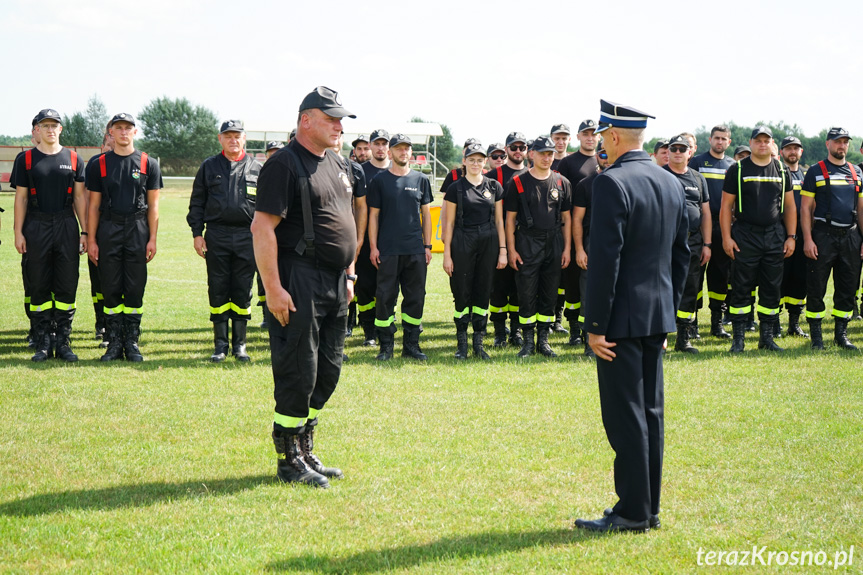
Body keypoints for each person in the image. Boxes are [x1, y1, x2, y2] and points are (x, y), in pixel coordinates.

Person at [576, 100, 689, 533]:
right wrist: (668, 316)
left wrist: (595, 325)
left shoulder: (612, 183)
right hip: (655, 317)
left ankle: (633, 512)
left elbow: (607, 260)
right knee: (650, 413)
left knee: (626, 417)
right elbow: (682, 256)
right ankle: (648, 506)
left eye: (603, 136)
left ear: (615, 136)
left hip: (620, 322)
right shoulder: (670, 181)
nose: (600, 142)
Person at [251, 86, 357, 488]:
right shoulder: (284, 165)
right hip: (298, 279)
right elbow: (262, 229)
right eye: (331, 118)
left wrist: (348, 271)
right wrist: (273, 289)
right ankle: (288, 459)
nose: (338, 125)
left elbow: (347, 221)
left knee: (328, 370)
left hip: (334, 280)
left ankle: (306, 447)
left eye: (341, 119)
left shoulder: (340, 163)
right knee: (299, 369)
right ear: (305, 120)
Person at [12, 109, 87, 362]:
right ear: (38, 130)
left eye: (54, 125)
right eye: (45, 125)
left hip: (66, 224)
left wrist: (85, 231)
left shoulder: (74, 159)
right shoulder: (25, 160)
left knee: (66, 283)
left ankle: (63, 341)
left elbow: (79, 197)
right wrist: (18, 232)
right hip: (36, 224)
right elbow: (21, 198)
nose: (50, 129)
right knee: (39, 283)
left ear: (60, 129)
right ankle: (43, 341)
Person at [86, 113, 163, 362]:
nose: (123, 132)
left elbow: (154, 206)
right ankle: (114, 341)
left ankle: (131, 341)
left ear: (135, 132)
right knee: (110, 286)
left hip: (137, 228)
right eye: (118, 128)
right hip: (108, 227)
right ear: (111, 133)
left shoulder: (147, 163)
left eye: (127, 128)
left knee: (134, 286)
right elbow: (93, 206)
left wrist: (152, 238)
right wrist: (92, 239)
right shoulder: (98, 165)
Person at [188, 119, 261, 362]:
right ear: (220, 139)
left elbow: (266, 208)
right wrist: (197, 234)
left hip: (246, 236)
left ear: (244, 138)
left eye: (237, 135)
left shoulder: (256, 168)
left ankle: (240, 345)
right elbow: (197, 203)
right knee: (218, 289)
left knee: (243, 289)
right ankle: (220, 345)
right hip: (217, 235)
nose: (233, 139)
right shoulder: (209, 166)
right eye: (227, 135)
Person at [720, 126, 796, 353]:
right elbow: (726, 206)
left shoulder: (782, 169)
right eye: (758, 140)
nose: (762, 144)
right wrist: (726, 238)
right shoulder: (738, 169)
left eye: (767, 141)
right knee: (741, 287)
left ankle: (767, 338)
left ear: (773, 144)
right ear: (751, 143)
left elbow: (790, 206)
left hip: (774, 235)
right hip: (745, 235)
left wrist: (791, 237)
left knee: (772, 288)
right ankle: (739, 339)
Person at [367, 133, 433, 361]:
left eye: (406, 149)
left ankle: (411, 345)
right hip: (388, 250)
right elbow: (373, 217)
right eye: (398, 148)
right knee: (385, 298)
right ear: (391, 152)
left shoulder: (421, 180)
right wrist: (374, 247)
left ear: (411, 152)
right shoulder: (379, 181)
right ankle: (386, 346)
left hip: (415, 250)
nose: (403, 152)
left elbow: (426, 215)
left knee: (415, 297)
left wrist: (427, 246)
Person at [504, 136, 572, 358]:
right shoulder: (517, 182)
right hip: (527, 242)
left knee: (549, 293)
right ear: (532, 154)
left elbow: (567, 218)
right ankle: (528, 343)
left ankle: (543, 341)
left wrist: (567, 248)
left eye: (550, 153)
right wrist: (511, 249)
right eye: (543, 153)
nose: (547, 157)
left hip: (554, 241)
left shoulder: (562, 182)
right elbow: (510, 220)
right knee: (526, 293)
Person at [800, 127, 863, 350]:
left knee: (847, 287)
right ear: (828, 144)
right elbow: (805, 209)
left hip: (851, 236)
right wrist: (808, 239)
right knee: (816, 285)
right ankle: (817, 335)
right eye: (838, 142)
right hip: (823, 236)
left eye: (845, 142)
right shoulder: (815, 171)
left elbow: (861, 208)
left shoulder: (857, 172)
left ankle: (841, 334)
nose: (842, 146)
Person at [442, 143, 507, 359]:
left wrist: (503, 250)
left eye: (480, 160)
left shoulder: (494, 186)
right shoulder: (455, 188)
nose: (476, 164)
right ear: (464, 161)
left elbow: (499, 221)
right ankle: (462, 344)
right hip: (462, 240)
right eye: (472, 159)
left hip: (488, 241)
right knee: (461, 291)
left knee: (483, 290)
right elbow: (448, 224)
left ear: (485, 162)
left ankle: (478, 344)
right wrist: (447, 255)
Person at [664, 135, 711, 353]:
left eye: (682, 148)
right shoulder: (659, 175)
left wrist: (707, 244)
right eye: (673, 148)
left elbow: (706, 213)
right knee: (661, 288)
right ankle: (659, 338)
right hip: (664, 242)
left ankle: (683, 338)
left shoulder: (698, 179)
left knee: (690, 289)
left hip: (693, 241)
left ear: (689, 153)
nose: (677, 152)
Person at [690, 125, 735, 339]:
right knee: (695, 276)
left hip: (724, 226)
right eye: (716, 138)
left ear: (729, 142)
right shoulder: (697, 162)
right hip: (700, 225)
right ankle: (692, 323)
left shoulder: (733, 165)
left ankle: (717, 323)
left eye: (723, 139)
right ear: (710, 140)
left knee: (720, 276)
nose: (720, 142)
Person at [558, 119, 599, 342]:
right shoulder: (568, 163)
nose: (590, 137)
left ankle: (591, 324)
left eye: (594, 134)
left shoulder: (606, 159)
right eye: (586, 134)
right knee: (573, 281)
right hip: (575, 229)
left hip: (598, 232)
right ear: (578, 137)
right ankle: (574, 328)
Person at [489, 131, 529, 347]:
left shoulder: (532, 173)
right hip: (498, 239)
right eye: (514, 147)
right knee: (498, 288)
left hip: (524, 239)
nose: (518, 151)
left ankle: (516, 331)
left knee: (519, 288)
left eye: (522, 147)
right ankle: (498, 332)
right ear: (506, 150)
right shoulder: (495, 175)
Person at [571, 145, 609, 358]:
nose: (606, 158)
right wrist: (579, 250)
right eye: (602, 154)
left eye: (608, 153)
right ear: (597, 157)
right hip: (591, 242)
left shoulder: (624, 180)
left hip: (619, 244)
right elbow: (576, 219)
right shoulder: (586, 184)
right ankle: (589, 342)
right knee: (589, 294)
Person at [355, 128, 390, 346]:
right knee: (365, 286)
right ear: (371, 146)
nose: (379, 147)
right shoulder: (359, 171)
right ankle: (368, 330)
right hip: (365, 239)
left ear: (389, 147)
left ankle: (385, 326)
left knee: (388, 286)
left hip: (391, 239)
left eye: (383, 143)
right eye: (375, 144)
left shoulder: (397, 171)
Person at [85, 125, 115, 348]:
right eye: (109, 144)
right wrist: (87, 233)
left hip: (121, 231)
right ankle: (100, 322)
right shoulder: (95, 166)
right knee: (98, 282)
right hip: (98, 232)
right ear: (104, 143)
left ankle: (116, 325)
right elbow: (87, 202)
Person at [779, 136, 808, 337]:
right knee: (778, 279)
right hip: (780, 234)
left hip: (804, 234)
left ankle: (794, 323)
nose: (792, 152)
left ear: (801, 152)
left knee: (800, 279)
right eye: (788, 148)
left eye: (796, 148)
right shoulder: (777, 173)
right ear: (781, 152)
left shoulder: (808, 175)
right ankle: (773, 323)